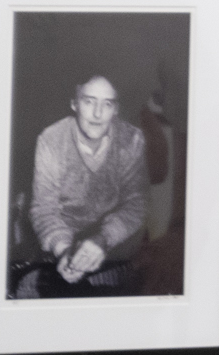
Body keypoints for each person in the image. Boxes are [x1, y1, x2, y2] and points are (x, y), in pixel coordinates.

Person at [16, 74, 148, 299]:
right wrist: (66, 251)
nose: (97, 114)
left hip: (115, 247)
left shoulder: (132, 140)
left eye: (107, 104)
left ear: (115, 109)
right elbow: (44, 209)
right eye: (88, 101)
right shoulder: (50, 140)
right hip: (61, 246)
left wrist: (104, 239)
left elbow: (137, 204)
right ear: (74, 104)